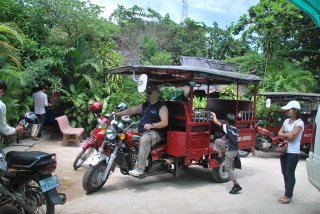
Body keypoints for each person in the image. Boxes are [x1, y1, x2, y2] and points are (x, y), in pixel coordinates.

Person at [115, 85, 168, 177]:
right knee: (124, 134)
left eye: (149, 93)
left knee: (144, 140)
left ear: (157, 94)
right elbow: (132, 110)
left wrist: (152, 125)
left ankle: (140, 168)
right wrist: (117, 114)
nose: (147, 95)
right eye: (147, 93)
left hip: (155, 132)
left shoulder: (162, 107)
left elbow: (164, 122)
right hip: (142, 130)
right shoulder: (145, 105)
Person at [277, 100, 304, 204]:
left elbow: (293, 138)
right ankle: (286, 191)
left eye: (289, 110)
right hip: (284, 150)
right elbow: (279, 133)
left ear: (295, 110)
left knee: (290, 173)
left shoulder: (299, 123)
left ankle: (288, 195)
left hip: (293, 152)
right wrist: (288, 134)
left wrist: (285, 135)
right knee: (284, 172)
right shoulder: (286, 121)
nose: (287, 112)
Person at [210, 112, 242, 194]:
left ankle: (236, 185)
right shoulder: (235, 129)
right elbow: (234, 138)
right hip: (234, 149)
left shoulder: (226, 127)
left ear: (226, 121)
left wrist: (214, 115)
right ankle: (220, 156)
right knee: (217, 141)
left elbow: (216, 122)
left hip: (230, 151)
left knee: (228, 168)